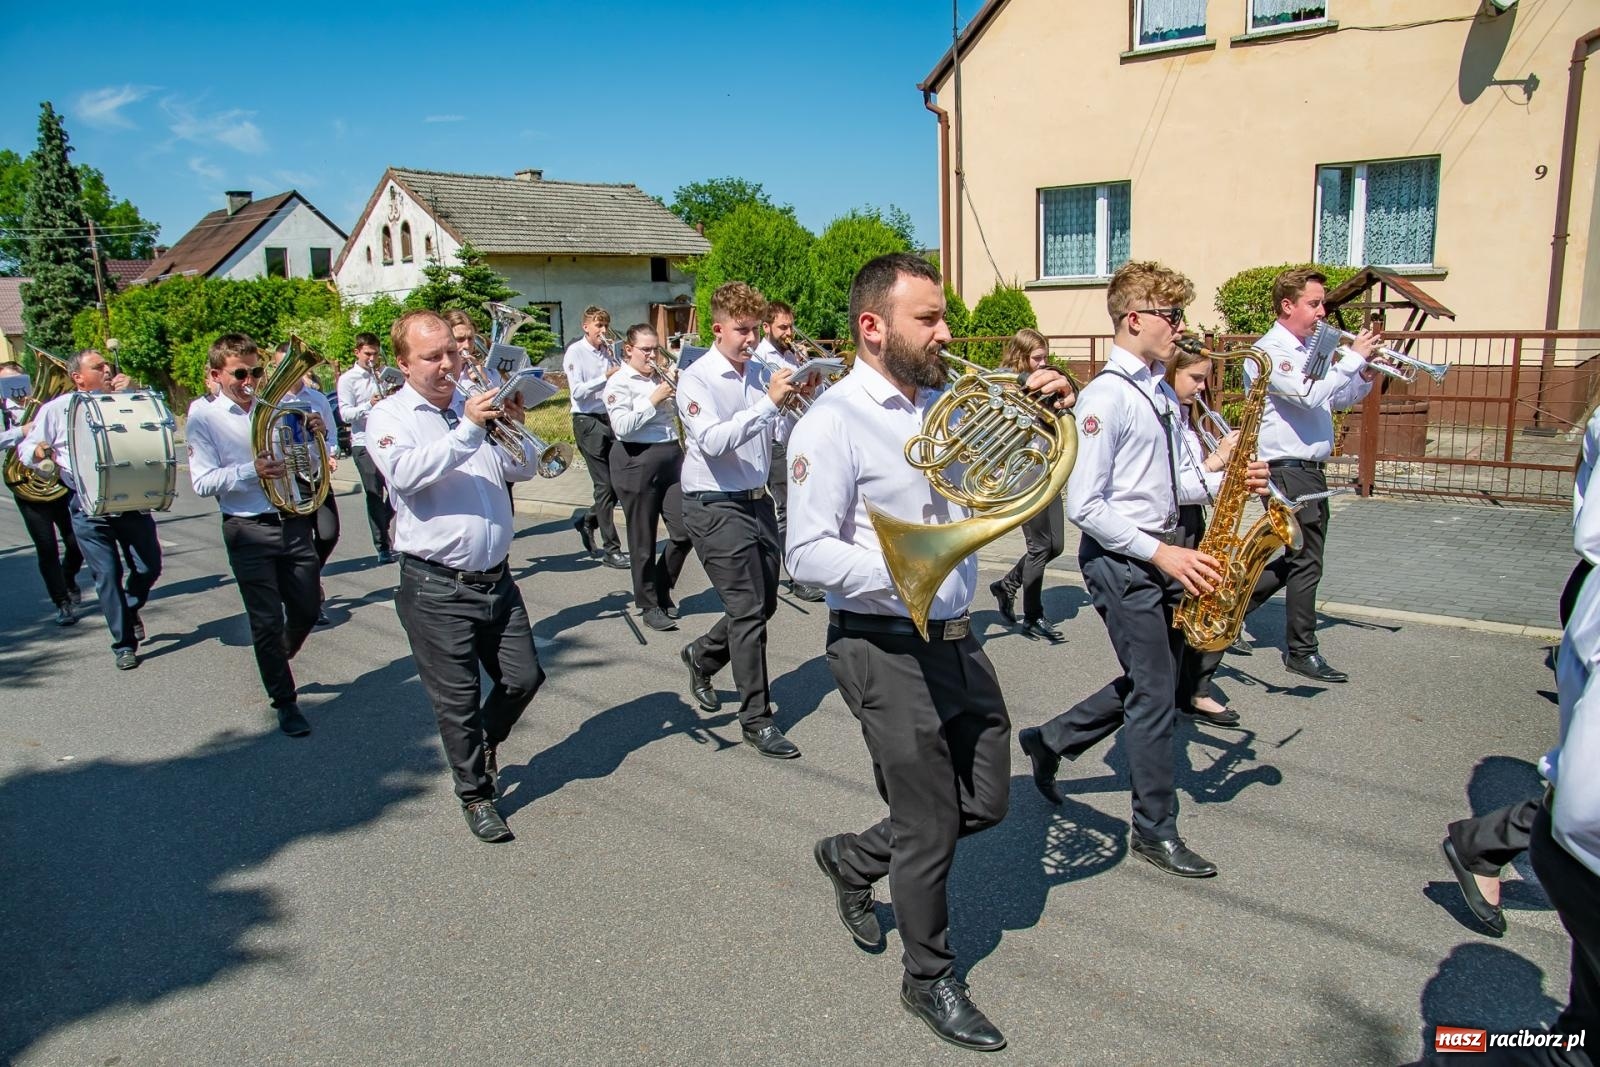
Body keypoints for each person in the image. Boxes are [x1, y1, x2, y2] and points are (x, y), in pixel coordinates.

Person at [788, 252, 1074, 1052]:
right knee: (928, 819)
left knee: (985, 800)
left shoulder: (951, 397)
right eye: (931, 319)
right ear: (873, 327)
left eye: (944, 317)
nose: (948, 332)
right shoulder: (832, 421)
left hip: (953, 634)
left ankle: (851, 858)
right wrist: (905, 567)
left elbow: (1017, 476)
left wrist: (1052, 413)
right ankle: (928, 977)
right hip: (878, 643)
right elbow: (806, 555)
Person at [1017, 260, 1268, 880]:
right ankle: (1155, 830)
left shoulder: (1157, 389)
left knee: (1156, 680)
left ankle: (1051, 740)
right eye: (1171, 316)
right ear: (1135, 319)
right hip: (1125, 561)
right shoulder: (1106, 397)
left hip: (1165, 549)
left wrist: (1224, 478)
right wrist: (1162, 554)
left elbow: (1173, 480)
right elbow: (1087, 506)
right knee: (1156, 693)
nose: (1179, 327)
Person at [367, 309, 547, 843]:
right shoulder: (389, 417)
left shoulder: (475, 403)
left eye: (452, 350)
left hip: (496, 577)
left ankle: (485, 744)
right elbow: (406, 474)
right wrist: (471, 426)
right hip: (435, 585)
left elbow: (525, 468)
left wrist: (511, 422)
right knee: (458, 700)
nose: (448, 363)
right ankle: (475, 794)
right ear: (403, 364)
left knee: (524, 678)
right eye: (432, 356)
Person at [675, 281, 800, 759]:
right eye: (742, 331)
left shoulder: (760, 371)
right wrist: (769, 401)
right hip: (712, 503)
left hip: (756, 498)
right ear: (718, 328)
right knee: (748, 611)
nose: (751, 340)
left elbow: (779, 433)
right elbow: (711, 441)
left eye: (754, 331)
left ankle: (702, 655)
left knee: (763, 605)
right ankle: (756, 718)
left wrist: (792, 400)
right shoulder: (697, 377)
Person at [1239, 267, 1377, 683]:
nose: (1322, 312)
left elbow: (1330, 400)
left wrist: (1363, 376)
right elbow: (1305, 393)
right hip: (1286, 469)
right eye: (1313, 304)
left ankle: (1234, 605)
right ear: (1288, 306)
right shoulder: (1270, 352)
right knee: (1307, 560)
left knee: (1300, 557)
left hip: (1308, 470)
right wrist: (1352, 358)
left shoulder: (1305, 350)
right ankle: (1301, 651)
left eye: (1322, 304)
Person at [187, 334, 325, 736]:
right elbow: (203, 482)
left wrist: (314, 436)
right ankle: (285, 701)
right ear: (216, 375)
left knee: (306, 610)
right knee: (265, 621)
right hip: (247, 527)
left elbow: (306, 465)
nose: (250, 380)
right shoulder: (202, 415)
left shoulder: (278, 405)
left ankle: (275, 659)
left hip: (291, 518)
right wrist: (252, 470)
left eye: (257, 371)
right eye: (240, 373)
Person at [21, 349, 162, 670]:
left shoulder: (130, 400)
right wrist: (39, 450)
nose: (108, 369)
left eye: (108, 365)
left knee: (148, 568)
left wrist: (135, 395)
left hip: (132, 500)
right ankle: (123, 643)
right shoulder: (58, 409)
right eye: (99, 367)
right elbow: (26, 447)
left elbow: (155, 433)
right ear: (78, 377)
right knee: (107, 575)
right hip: (86, 504)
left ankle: (129, 607)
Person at [1167, 344, 1244, 727]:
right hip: (1174, 523)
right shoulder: (1165, 416)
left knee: (1199, 607)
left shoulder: (1186, 415)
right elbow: (1172, 485)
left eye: (1205, 379)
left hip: (1193, 519)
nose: (1201, 387)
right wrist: (1221, 467)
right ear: (1171, 372)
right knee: (1186, 612)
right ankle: (1182, 693)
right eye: (1195, 378)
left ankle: (1189, 691)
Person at [604, 324, 692, 632]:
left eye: (656, 349)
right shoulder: (619, 382)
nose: (652, 355)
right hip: (635, 459)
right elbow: (622, 427)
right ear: (628, 350)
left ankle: (659, 584)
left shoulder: (660, 377)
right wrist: (654, 398)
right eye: (646, 349)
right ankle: (648, 603)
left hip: (670, 455)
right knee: (642, 539)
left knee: (685, 530)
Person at [989, 328, 1068, 641]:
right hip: (1021, 473)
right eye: (1037, 358)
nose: (1043, 363)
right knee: (1038, 547)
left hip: (1047, 467)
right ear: (1020, 356)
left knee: (1057, 545)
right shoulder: (1002, 385)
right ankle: (1033, 617)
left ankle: (1006, 585)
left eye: (1045, 357)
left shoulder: (1042, 384)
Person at [1, 358, 83, 625]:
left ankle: (68, 576)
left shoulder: (44, 406)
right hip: (26, 486)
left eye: (16, 380)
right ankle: (62, 602)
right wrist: (20, 431)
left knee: (75, 541)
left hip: (57, 480)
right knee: (46, 547)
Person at [755, 300, 825, 603]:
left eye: (790, 326)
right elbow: (761, 402)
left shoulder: (794, 355)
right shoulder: (758, 358)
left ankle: (809, 565)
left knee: (805, 506)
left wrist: (814, 378)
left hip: (800, 439)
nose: (789, 332)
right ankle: (797, 575)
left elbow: (818, 396)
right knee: (786, 509)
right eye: (782, 327)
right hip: (776, 441)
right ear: (766, 326)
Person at [274, 341, 340, 626]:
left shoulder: (318, 398)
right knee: (301, 547)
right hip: (288, 480)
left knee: (328, 534)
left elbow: (334, 438)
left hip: (315, 474)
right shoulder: (270, 403)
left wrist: (326, 441)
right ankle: (309, 598)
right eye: (281, 366)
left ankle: (306, 581)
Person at [563, 305, 629, 569]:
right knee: (604, 486)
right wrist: (605, 376)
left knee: (618, 483)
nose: (603, 331)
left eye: (605, 325)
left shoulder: (609, 352)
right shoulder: (575, 353)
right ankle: (611, 550)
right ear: (585, 326)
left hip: (610, 418)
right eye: (598, 326)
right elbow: (577, 392)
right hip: (587, 421)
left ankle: (589, 519)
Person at [336, 333, 396, 563]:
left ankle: (384, 522)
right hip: (363, 441)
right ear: (357, 352)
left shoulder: (382, 375)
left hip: (386, 439)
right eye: (367, 354)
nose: (372, 359)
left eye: (375, 354)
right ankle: (382, 546)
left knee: (397, 488)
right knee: (374, 493)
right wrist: (368, 405)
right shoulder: (348, 379)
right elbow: (345, 414)